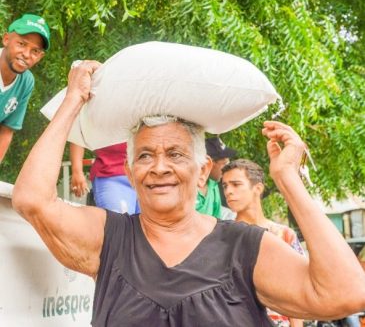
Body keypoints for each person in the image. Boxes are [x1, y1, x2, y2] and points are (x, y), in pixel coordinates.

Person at [12, 60, 365, 326]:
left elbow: (345, 292)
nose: (159, 167)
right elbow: (32, 199)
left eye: (176, 154)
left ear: (201, 173)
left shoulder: (245, 248)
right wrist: (74, 100)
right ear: (130, 174)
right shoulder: (111, 239)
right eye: (146, 156)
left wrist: (287, 178)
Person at [221, 158, 304, 327]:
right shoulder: (220, 236)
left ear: (257, 188)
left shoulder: (284, 235)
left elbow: (296, 290)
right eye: (225, 186)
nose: (228, 191)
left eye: (236, 184)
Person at [0, 13, 50, 164]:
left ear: (40, 56)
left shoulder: (26, 81)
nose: (26, 54)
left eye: (35, 51)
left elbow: (7, 130)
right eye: (21, 44)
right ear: (6, 39)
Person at [70, 142, 139, 214]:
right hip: (110, 174)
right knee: (119, 221)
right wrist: (77, 171)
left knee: (147, 224)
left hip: (144, 173)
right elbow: (78, 135)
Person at [195, 136, 236, 218]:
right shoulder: (188, 187)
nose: (226, 169)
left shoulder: (213, 186)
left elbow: (217, 221)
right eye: (224, 164)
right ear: (210, 163)